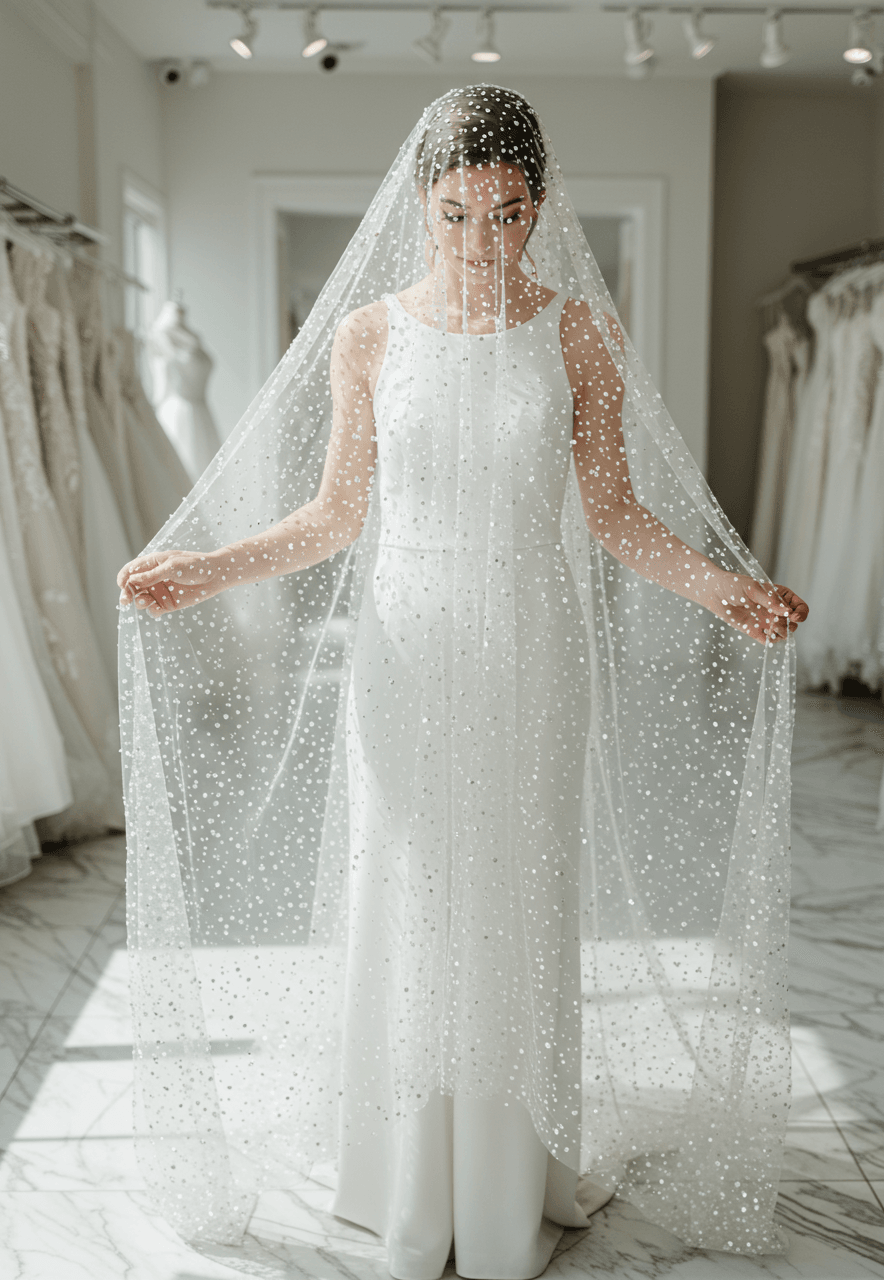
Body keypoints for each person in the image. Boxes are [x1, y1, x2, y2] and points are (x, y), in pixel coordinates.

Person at [117, 87, 807, 1277]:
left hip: (530, 657)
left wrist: (721, 588)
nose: (482, 242)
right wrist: (205, 567)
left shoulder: (577, 334)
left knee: (516, 898)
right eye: (455, 214)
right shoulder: (369, 334)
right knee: (406, 893)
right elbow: (332, 517)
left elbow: (615, 517)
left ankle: (501, 1187)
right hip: (405, 652)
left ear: (539, 205)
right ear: (418, 205)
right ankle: (403, 1181)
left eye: (508, 214)